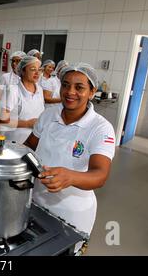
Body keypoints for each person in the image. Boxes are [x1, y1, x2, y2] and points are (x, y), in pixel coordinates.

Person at [24, 62, 115, 253]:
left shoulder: (100, 128)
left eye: (79, 87)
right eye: (65, 85)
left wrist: (71, 176)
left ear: (92, 92)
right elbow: (27, 148)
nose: (70, 91)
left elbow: (100, 175)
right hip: (37, 200)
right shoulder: (48, 115)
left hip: (73, 212)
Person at [0, 55, 45, 143]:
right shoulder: (13, 91)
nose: (37, 73)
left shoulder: (40, 90)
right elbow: (3, 120)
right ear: (22, 71)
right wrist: (27, 124)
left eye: (39, 69)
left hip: (34, 141)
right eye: (32, 69)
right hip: (15, 141)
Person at [0, 50, 26, 131]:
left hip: (21, 119)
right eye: (13, 61)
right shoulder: (5, 77)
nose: (14, 63)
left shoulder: (26, 79)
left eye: (18, 61)